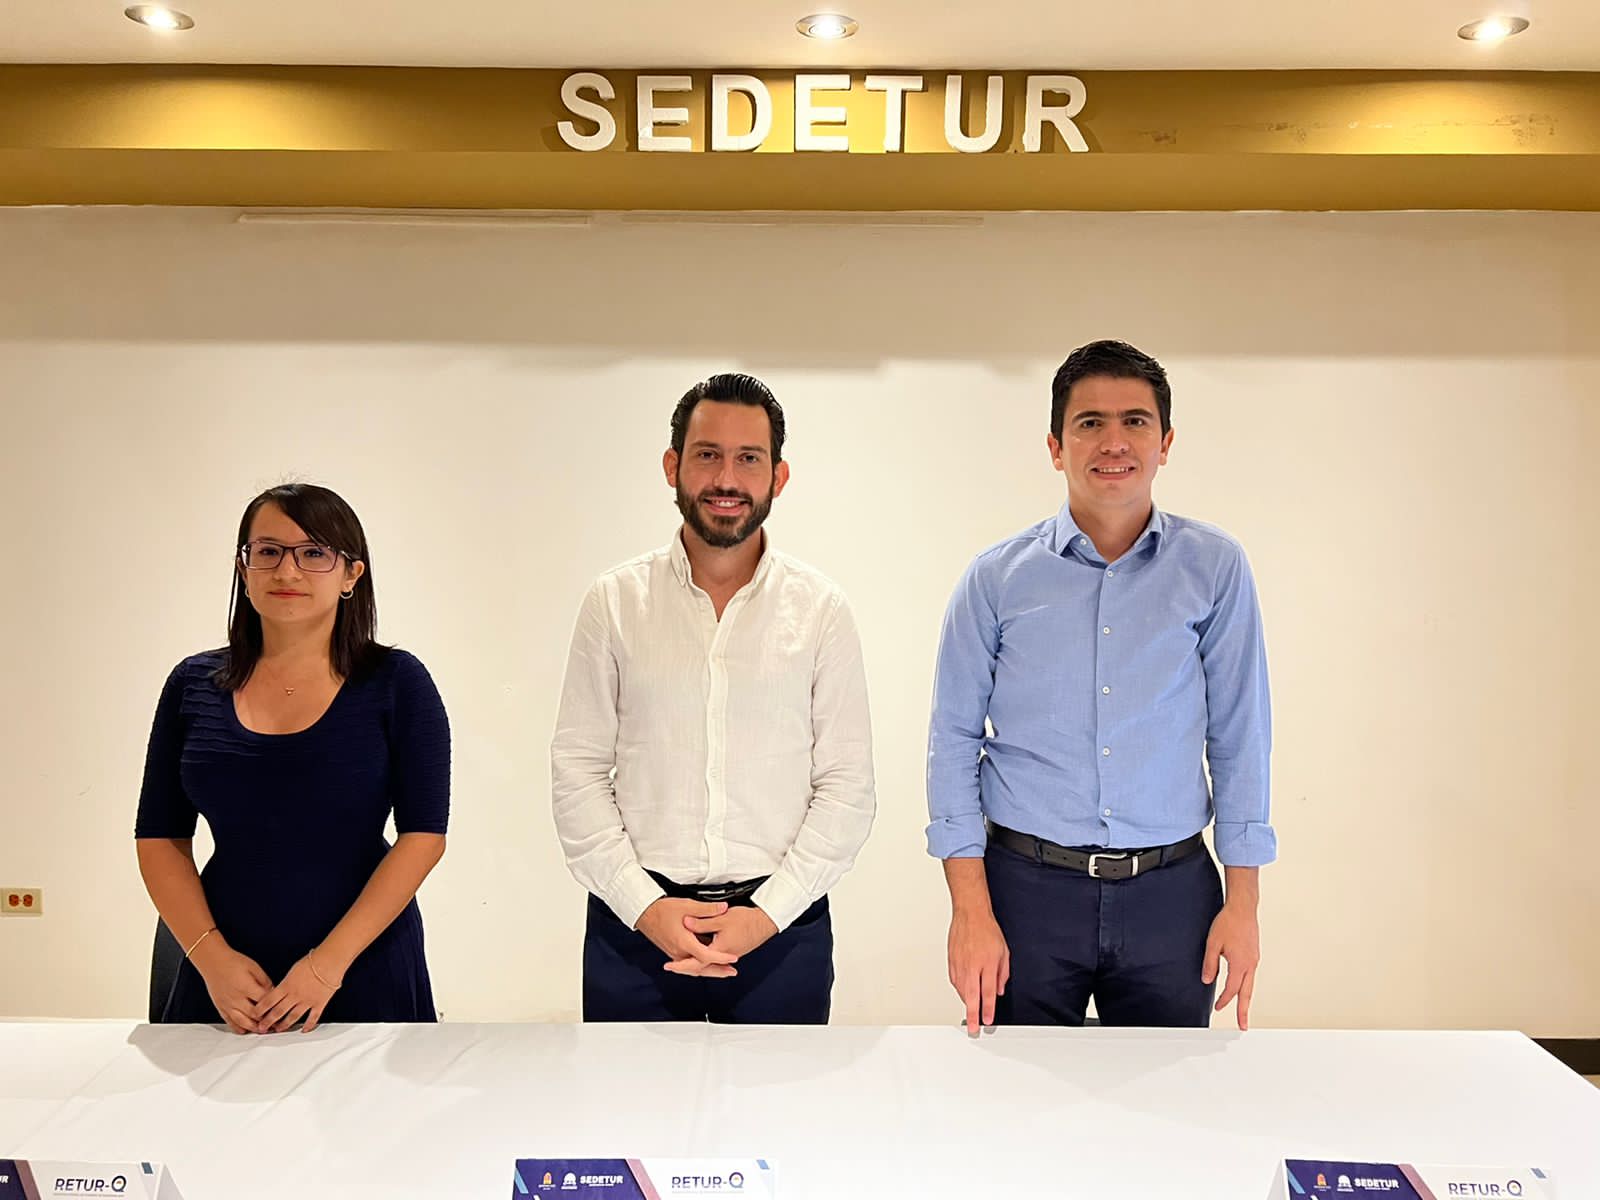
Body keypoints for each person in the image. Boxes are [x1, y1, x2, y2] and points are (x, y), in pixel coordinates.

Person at [927, 339, 1275, 1034]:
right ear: (1056, 447)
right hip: (1025, 892)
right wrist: (970, 911)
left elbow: (1241, 737)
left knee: (1168, 1089)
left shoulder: (1215, 569)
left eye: (1135, 421)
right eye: (1090, 422)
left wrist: (1244, 906)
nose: (1114, 442)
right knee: (1016, 1088)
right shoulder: (996, 579)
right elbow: (953, 742)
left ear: (1165, 442)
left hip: (1171, 896)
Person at [552, 373, 875, 1023]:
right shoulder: (614, 603)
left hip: (781, 931)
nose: (727, 478)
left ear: (779, 476)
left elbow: (847, 787)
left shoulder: (820, 611)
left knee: (776, 1095)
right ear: (672, 466)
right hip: (634, 930)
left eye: (749, 458)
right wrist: (644, 906)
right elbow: (577, 772)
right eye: (708, 455)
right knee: (629, 1092)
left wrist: (766, 916)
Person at [135, 483, 450, 1033]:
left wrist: (326, 967)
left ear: (351, 574)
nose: (288, 571)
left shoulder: (397, 683)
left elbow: (424, 836)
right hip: (224, 964)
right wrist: (211, 958)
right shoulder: (192, 684)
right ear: (244, 567)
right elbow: (160, 837)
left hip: (362, 959)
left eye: (313, 553)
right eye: (268, 551)